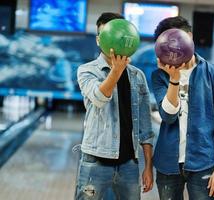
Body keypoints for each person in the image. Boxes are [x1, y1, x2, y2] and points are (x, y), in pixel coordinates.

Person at [151, 16, 214, 200]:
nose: (171, 49)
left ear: (189, 36)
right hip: (167, 164)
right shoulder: (159, 76)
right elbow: (168, 116)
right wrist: (174, 79)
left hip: (203, 163)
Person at [76, 12, 154, 200]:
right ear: (98, 40)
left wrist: (148, 167)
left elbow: (145, 127)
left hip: (129, 164)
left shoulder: (138, 76)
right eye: (107, 34)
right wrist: (116, 71)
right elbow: (99, 98)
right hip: (95, 161)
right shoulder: (87, 70)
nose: (114, 40)